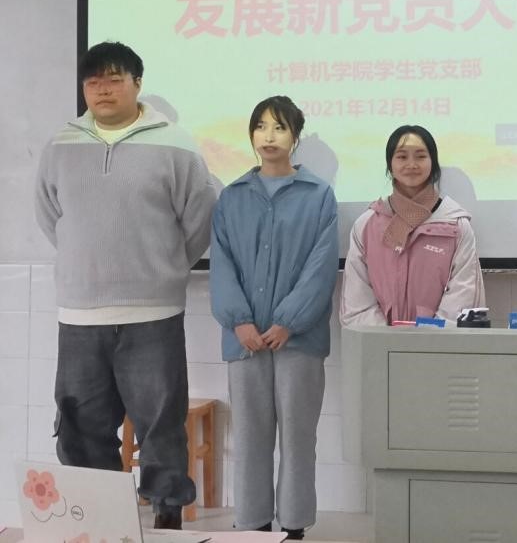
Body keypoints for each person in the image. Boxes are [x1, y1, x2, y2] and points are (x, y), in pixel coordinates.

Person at [33, 41, 217, 530]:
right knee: (80, 426)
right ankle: (96, 521)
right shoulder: (60, 145)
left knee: (161, 423)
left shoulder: (176, 144)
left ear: (137, 83)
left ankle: (166, 517)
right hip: (79, 315)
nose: (103, 89)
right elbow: (51, 216)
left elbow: (199, 217)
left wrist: (164, 268)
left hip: (152, 313)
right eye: (93, 81)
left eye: (114, 79)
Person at [209, 96, 339, 540]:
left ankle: (295, 526)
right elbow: (222, 264)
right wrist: (239, 321)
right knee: (250, 438)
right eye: (261, 126)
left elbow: (321, 267)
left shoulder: (319, 195)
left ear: (295, 137)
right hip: (244, 340)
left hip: (298, 340)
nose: (269, 136)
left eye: (280, 127)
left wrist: (288, 320)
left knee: (299, 439)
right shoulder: (232, 197)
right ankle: (254, 525)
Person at [341, 125, 485, 326]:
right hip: (379, 342)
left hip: (440, 342)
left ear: (433, 163)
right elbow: (357, 300)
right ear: (390, 165)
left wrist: (426, 337)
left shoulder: (456, 225)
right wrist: (388, 338)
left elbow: (463, 295)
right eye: (402, 157)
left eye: (420, 156)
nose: (411, 164)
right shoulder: (366, 225)